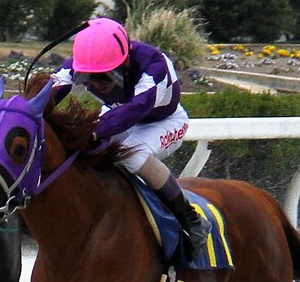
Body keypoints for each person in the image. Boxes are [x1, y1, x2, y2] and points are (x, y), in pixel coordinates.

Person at [49, 17, 210, 258]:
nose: (97, 84)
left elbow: (136, 108)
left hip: (164, 121)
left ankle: (191, 219)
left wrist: (93, 131)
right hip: (118, 114)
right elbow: (51, 90)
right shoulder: (87, 60)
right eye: (89, 77)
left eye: (105, 76)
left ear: (124, 62)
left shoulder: (154, 65)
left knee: (132, 154)